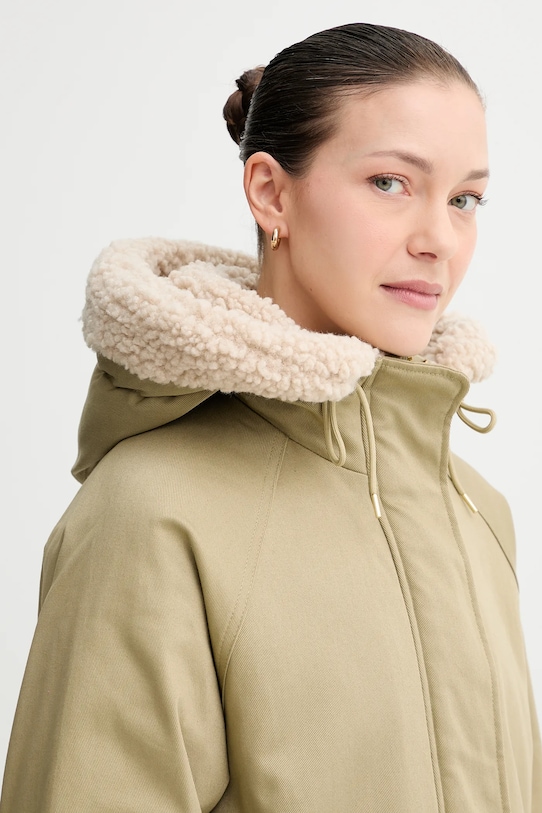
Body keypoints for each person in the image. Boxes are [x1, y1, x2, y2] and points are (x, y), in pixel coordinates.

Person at [0, 21, 540, 813]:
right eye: (391, 183)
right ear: (270, 192)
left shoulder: (476, 510)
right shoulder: (150, 513)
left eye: (464, 199)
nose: (439, 239)